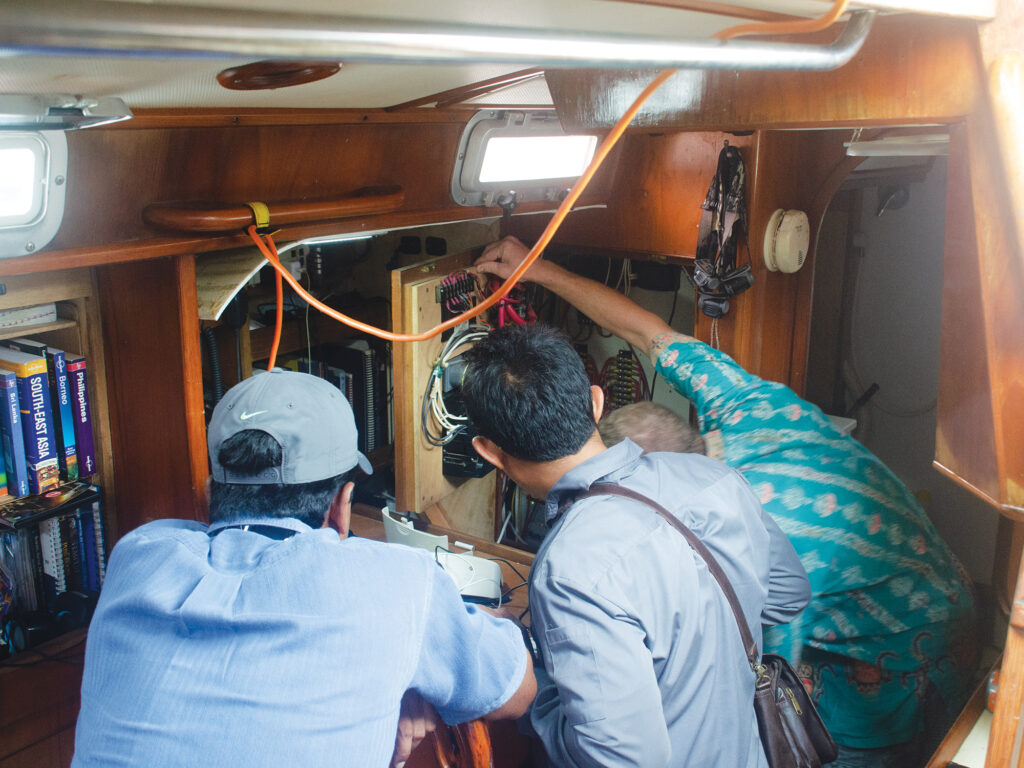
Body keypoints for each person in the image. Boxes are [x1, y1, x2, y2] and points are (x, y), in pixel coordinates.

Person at [476, 236, 977, 767]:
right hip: (926, 574)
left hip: (902, 647)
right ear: (596, 406)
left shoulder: (776, 514)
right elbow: (648, 332)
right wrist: (540, 270)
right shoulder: (744, 406)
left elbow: (761, 677)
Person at [72, 368, 535, 768]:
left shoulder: (136, 557)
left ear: (208, 495)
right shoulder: (395, 585)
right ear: (342, 505)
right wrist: (414, 663)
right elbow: (517, 690)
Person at [460, 323, 810, 767]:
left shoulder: (568, 569)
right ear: (595, 402)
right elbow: (788, 595)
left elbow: (623, 760)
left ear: (489, 452)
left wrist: (536, 682)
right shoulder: (714, 478)